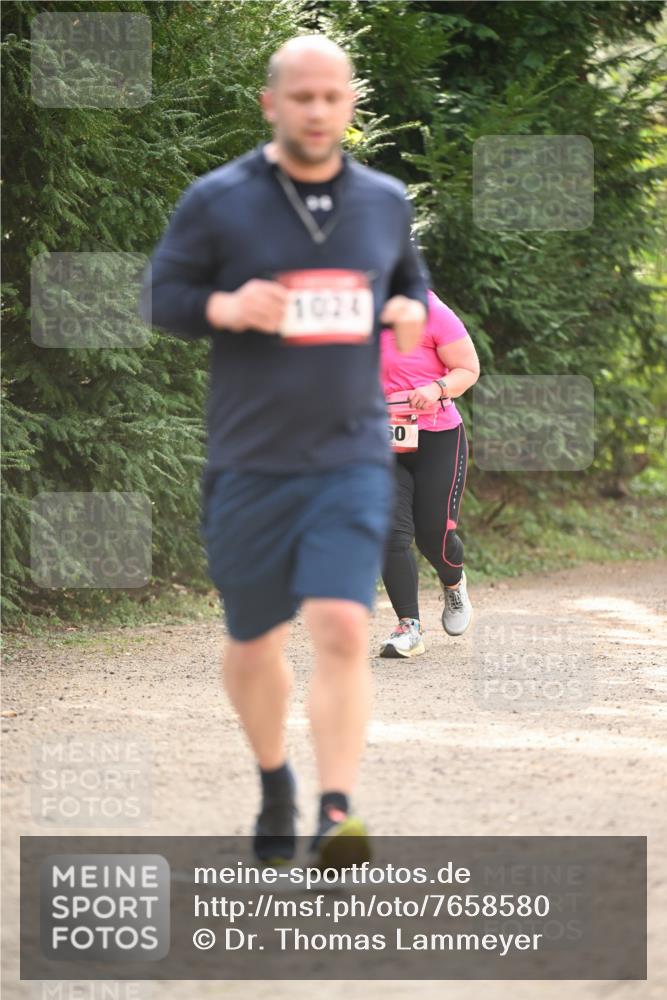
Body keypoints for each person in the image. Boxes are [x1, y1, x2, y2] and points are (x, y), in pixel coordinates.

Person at [140, 35, 429, 866]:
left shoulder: (382, 201)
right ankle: (275, 779)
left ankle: (335, 813)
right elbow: (163, 296)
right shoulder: (218, 199)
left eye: (331, 97)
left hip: (350, 453)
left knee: (342, 624)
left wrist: (408, 312)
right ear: (272, 103)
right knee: (252, 642)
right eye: (300, 96)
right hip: (250, 459)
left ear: (348, 105)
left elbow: (406, 284)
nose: (316, 110)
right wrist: (227, 306)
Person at [379, 288, 480, 658]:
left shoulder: (433, 311)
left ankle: (453, 584)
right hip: (381, 442)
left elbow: (468, 370)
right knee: (390, 533)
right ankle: (409, 628)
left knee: (433, 536)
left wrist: (436, 388)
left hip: (437, 438)